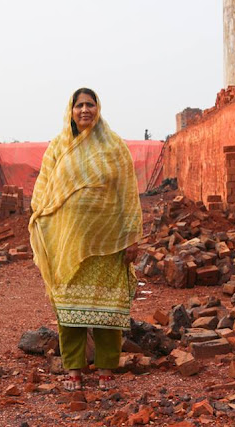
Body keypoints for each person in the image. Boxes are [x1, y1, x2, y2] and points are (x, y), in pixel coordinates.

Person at [29, 88, 142, 391]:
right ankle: (73, 372)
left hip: (108, 243)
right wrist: (41, 219)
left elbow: (128, 193)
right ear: (71, 109)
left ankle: (106, 370)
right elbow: (44, 187)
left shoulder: (114, 147)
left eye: (89, 104)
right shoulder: (58, 147)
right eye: (79, 105)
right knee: (69, 310)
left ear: (98, 108)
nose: (84, 110)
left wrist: (131, 237)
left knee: (109, 312)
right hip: (68, 244)